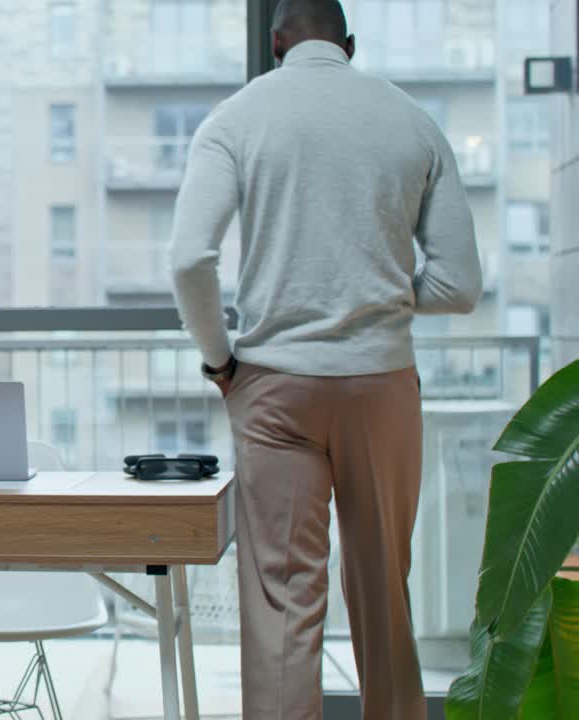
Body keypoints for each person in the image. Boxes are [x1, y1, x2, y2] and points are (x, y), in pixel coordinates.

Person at [168, 0, 483, 717]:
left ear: (276, 42)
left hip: (274, 389)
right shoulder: (412, 121)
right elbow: (459, 284)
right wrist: (370, 292)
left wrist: (222, 364)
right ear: (349, 42)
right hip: (382, 388)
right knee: (383, 593)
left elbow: (190, 258)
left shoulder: (236, 119)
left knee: (283, 602)